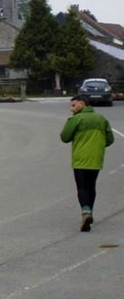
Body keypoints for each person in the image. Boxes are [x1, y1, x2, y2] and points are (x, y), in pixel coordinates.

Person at [60, 94, 114, 232]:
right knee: (91, 186)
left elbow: (65, 137)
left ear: (82, 104)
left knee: (82, 187)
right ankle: (90, 212)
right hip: (96, 158)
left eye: (73, 105)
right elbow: (110, 139)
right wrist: (98, 145)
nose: (71, 109)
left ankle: (85, 212)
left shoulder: (76, 119)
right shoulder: (101, 119)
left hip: (80, 158)